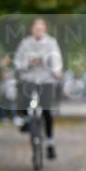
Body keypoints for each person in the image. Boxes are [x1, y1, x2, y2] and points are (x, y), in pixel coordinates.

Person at [13, 18, 63, 159]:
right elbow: (17, 62)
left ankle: (50, 143)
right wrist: (28, 63)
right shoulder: (25, 44)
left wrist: (57, 70)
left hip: (46, 80)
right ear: (32, 29)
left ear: (45, 29)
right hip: (29, 79)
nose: (38, 31)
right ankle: (26, 120)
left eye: (41, 28)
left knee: (47, 110)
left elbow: (57, 60)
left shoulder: (51, 43)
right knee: (25, 98)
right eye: (36, 28)